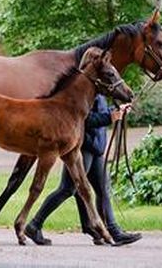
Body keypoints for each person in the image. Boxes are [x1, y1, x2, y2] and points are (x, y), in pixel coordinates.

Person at [24, 93, 141, 247]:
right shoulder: (85, 92)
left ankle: (112, 231)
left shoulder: (100, 91)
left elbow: (101, 112)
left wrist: (117, 110)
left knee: (103, 189)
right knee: (67, 189)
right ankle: (34, 225)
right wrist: (109, 117)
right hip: (81, 149)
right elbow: (83, 118)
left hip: (96, 149)